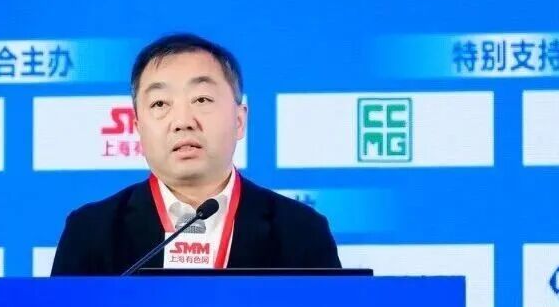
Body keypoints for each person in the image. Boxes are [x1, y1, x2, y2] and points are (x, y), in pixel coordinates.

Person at [51, 33, 342, 275]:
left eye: (201, 99)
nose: (182, 121)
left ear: (239, 120)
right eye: (160, 104)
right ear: (138, 127)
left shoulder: (301, 230)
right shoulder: (91, 231)